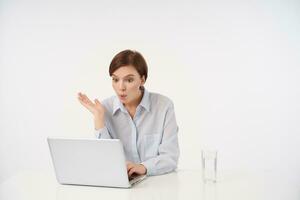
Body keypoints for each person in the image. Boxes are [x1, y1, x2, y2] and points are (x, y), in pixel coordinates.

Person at [77, 49, 179, 177]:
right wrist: (98, 118)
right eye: (115, 79)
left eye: (129, 80)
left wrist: (143, 167)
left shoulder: (164, 106)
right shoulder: (105, 109)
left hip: (158, 186)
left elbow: (170, 158)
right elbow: (105, 160)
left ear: (142, 79)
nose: (121, 87)